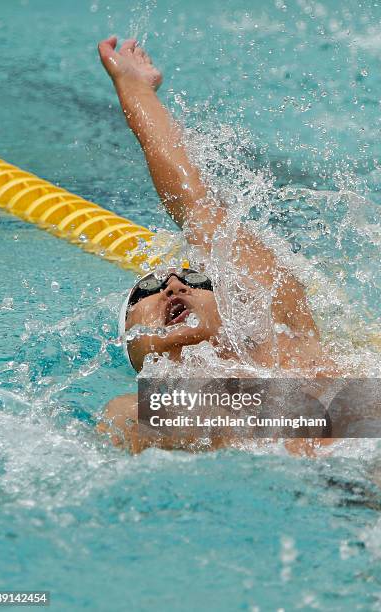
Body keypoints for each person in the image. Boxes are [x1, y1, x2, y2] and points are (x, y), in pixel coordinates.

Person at [96, 36, 338, 454]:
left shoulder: (288, 336)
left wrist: (136, 92)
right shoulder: (135, 412)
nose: (174, 286)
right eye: (148, 290)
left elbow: (197, 206)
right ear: (129, 343)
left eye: (194, 278)